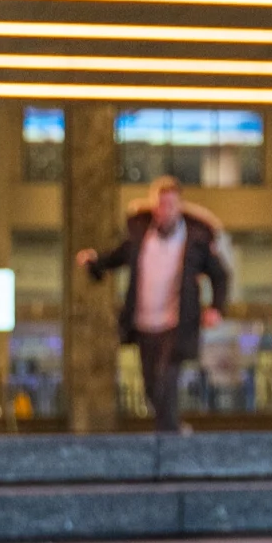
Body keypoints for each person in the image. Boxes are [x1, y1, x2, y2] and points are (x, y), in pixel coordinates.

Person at [77, 177, 229, 433]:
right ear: (154, 206)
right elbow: (117, 257)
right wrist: (95, 262)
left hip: (176, 323)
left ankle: (167, 439)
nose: (165, 211)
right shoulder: (140, 237)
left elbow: (220, 274)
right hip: (145, 323)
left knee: (165, 381)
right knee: (150, 386)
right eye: (160, 205)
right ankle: (173, 430)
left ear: (179, 206)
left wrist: (216, 308)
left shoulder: (195, 241)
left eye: (170, 205)